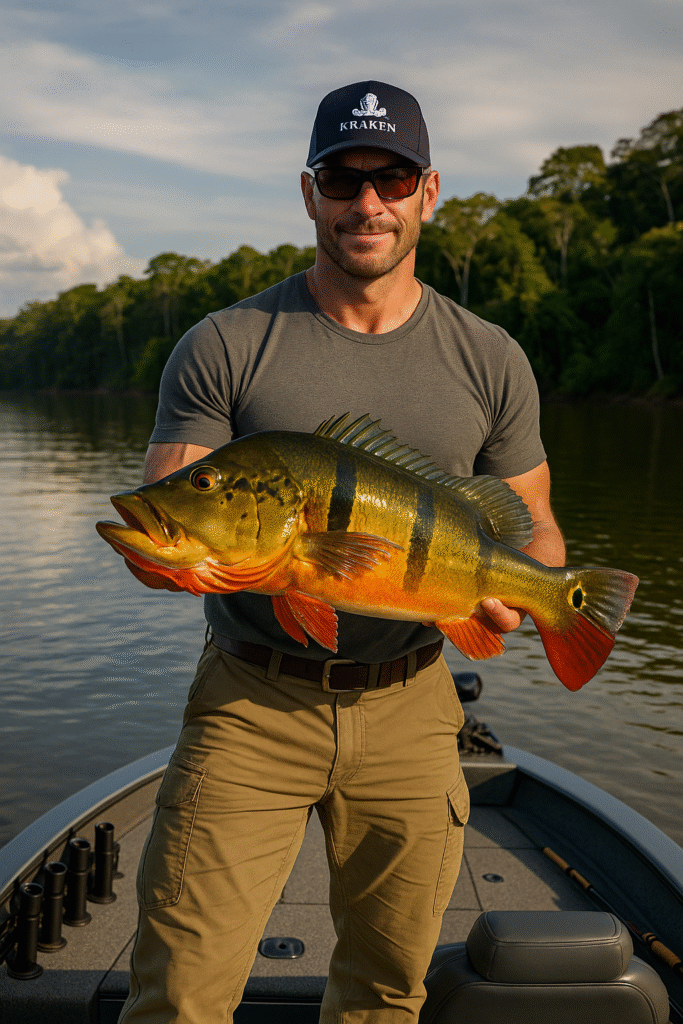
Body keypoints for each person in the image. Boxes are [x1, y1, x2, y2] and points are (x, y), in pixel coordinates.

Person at [118, 80, 565, 1024]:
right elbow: (170, 514)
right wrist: (175, 556)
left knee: (385, 995)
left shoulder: (490, 357)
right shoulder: (226, 344)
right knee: (179, 995)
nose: (367, 202)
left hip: (413, 706)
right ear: (309, 192)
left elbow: (533, 531)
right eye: (343, 178)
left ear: (427, 191)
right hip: (250, 702)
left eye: (390, 178)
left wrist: (525, 601)